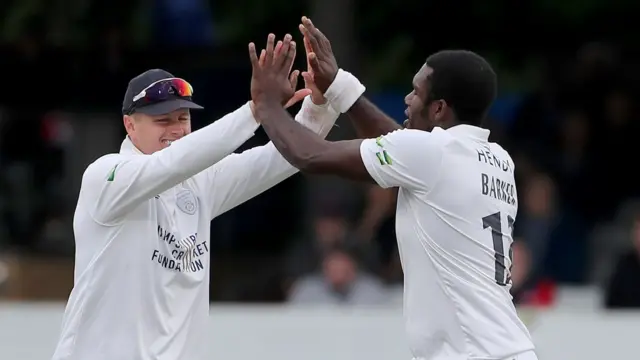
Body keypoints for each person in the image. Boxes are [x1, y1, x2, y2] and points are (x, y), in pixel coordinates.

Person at [51, 35, 364, 360]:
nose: (176, 129)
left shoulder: (199, 182)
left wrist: (320, 104)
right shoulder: (106, 177)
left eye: (182, 119)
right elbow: (173, 162)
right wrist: (256, 111)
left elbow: (281, 159)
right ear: (130, 126)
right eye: (162, 120)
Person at [247, 17, 537, 360]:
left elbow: (311, 155)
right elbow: (402, 148)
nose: (407, 97)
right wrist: (339, 86)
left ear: (439, 108)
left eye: (416, 91)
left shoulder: (432, 154)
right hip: (506, 348)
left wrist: (265, 105)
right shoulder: (497, 159)